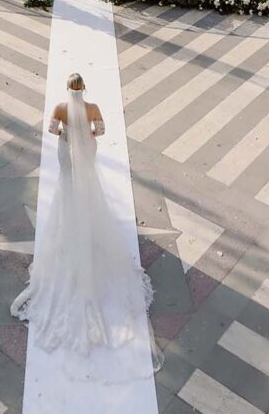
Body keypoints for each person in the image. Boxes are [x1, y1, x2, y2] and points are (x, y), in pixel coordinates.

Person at [11, 72, 161, 382]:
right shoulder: (92, 107)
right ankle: (90, 229)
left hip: (68, 154)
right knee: (91, 192)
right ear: (84, 89)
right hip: (87, 152)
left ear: (68, 89)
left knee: (67, 190)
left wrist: (67, 134)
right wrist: (86, 135)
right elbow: (101, 131)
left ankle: (71, 232)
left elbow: (53, 130)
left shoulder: (60, 108)